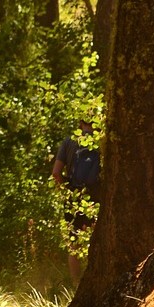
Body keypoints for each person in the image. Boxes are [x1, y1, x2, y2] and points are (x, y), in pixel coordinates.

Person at [51, 119, 100, 284]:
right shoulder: (102, 140)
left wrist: (68, 192)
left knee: (74, 244)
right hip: (97, 197)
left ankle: (76, 284)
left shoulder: (69, 141)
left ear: (81, 122)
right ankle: (98, 280)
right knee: (98, 238)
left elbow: (56, 173)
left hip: (73, 196)